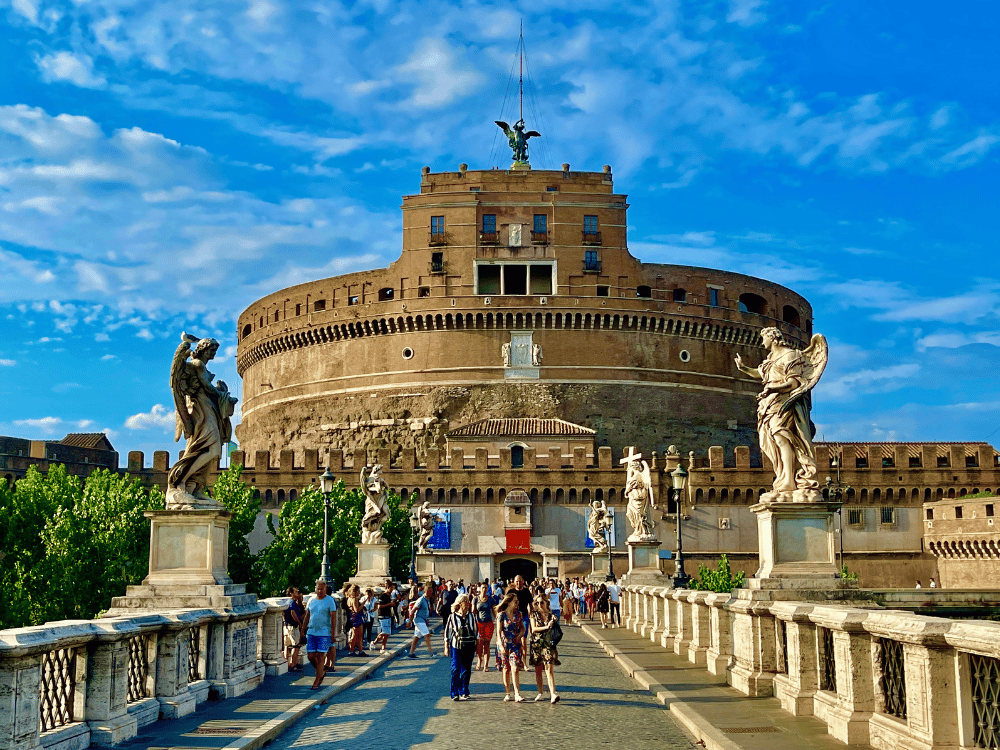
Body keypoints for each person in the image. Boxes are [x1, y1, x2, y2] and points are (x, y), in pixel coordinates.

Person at [300, 579, 337, 689]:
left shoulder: (330, 601)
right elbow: (307, 616)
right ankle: (320, 672)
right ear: (315, 589)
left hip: (324, 633)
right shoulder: (311, 600)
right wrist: (303, 630)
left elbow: (333, 618)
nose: (320, 591)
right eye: (318, 589)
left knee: (321, 656)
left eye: (322, 589)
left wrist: (333, 634)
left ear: (325, 589)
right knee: (311, 656)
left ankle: (316, 680)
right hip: (311, 632)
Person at [444, 594, 478, 700]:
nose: (468, 604)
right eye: (466, 602)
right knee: (455, 669)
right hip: (456, 646)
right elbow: (447, 633)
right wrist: (446, 647)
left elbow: (476, 632)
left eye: (468, 602)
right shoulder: (452, 617)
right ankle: (454, 692)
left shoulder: (471, 616)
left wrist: (477, 645)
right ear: (460, 604)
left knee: (466, 669)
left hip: (469, 646)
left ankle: (464, 691)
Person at [529, 593, 561, 703]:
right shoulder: (533, 614)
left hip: (548, 644)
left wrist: (554, 622)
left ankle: (553, 693)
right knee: (538, 669)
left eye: (541, 602)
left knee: (549, 668)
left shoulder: (551, 615)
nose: (539, 604)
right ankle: (541, 692)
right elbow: (533, 629)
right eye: (537, 603)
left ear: (546, 602)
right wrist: (546, 627)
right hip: (537, 643)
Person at [495, 592, 527, 702]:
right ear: (509, 602)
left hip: (516, 644)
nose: (517, 603)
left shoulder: (519, 614)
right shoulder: (501, 615)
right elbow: (499, 632)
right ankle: (508, 693)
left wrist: (521, 634)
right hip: (504, 644)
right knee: (506, 668)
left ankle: (517, 693)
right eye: (515, 601)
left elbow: (523, 628)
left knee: (515, 667)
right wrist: (500, 644)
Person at [408, 583, 436, 658]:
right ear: (427, 591)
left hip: (422, 620)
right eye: (431, 591)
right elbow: (413, 610)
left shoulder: (427, 600)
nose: (432, 593)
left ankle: (411, 652)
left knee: (417, 637)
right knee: (426, 634)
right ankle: (431, 652)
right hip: (418, 620)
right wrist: (410, 620)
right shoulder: (420, 600)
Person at [283, 586, 304, 671]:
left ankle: (287, 663)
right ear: (291, 593)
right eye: (295, 592)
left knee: (287, 646)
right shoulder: (292, 603)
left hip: (287, 626)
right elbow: (293, 613)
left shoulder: (287, 602)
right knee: (296, 645)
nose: (297, 593)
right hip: (293, 626)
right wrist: (299, 623)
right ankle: (293, 664)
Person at [474, 584, 495, 671]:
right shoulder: (476, 599)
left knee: (487, 645)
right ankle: (479, 661)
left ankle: (486, 665)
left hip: (488, 624)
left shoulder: (491, 599)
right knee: (479, 645)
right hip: (479, 624)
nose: (485, 589)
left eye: (486, 588)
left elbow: (494, 611)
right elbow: (473, 612)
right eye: (483, 587)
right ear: (480, 589)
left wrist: (498, 620)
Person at [347, 588, 368, 656]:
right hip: (357, 617)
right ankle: (355, 650)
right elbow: (356, 610)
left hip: (352, 617)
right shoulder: (355, 599)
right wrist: (363, 604)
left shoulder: (349, 599)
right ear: (355, 591)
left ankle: (356, 650)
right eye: (358, 591)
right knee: (357, 635)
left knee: (356, 635)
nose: (359, 592)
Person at [374, 587, 394, 654]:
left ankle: (383, 647)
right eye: (391, 588)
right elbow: (379, 606)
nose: (392, 590)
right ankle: (375, 642)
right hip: (383, 615)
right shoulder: (383, 596)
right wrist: (389, 604)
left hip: (388, 615)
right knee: (384, 632)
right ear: (387, 588)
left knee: (387, 634)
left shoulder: (389, 596)